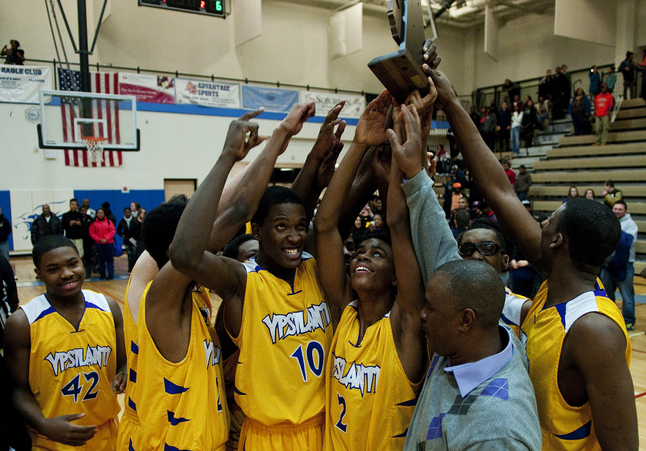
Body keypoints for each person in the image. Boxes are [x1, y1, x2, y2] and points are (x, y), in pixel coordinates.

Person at [424, 64, 636, 450]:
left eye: (547, 222)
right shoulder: (556, 282)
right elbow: (498, 190)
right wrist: (451, 102)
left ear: (558, 242)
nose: (537, 224)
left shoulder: (593, 331)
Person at [171, 98, 348, 451]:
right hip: (268, 436)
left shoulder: (315, 267)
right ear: (257, 232)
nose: (294, 236)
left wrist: (316, 159)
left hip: (325, 429)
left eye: (300, 227)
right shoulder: (242, 281)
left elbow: (306, 212)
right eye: (281, 227)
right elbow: (185, 254)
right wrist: (228, 158)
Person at [315, 102, 429, 450]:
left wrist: (399, 160)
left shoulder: (404, 324)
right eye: (360, 253)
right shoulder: (342, 312)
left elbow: (398, 225)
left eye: (377, 254)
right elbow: (325, 225)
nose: (363, 257)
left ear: (397, 277)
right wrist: (359, 144)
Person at [124, 195, 230, 451]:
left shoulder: (198, 294)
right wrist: (231, 156)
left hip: (198, 433)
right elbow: (232, 208)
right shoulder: (156, 294)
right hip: (162, 434)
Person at [3, 235, 126, 450]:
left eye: (72, 264)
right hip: (50, 439)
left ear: (81, 261)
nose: (67, 274)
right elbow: (17, 389)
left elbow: (123, 363)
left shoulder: (108, 307)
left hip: (106, 435)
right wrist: (44, 424)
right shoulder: (23, 322)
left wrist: (124, 374)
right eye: (53, 269)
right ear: (38, 274)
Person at [403, 260, 541, 450]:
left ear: (465, 320)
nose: (422, 314)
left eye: (430, 307)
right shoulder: (484, 337)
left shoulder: (496, 435)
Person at [599, 200, 638, 331]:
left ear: (625, 211)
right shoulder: (607, 221)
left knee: (627, 296)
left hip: (625, 266)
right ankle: (609, 318)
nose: (617, 211)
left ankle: (629, 321)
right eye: (615, 208)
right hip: (608, 265)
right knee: (606, 295)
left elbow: (627, 241)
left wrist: (612, 233)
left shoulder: (630, 224)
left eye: (620, 209)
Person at [89, 208, 116, 280]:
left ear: (104, 214)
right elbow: (92, 233)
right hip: (99, 244)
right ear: (96, 214)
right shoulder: (93, 223)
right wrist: (99, 239)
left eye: (102, 213)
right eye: (99, 213)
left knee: (109, 259)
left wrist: (106, 239)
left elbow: (112, 231)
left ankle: (110, 274)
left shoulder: (109, 221)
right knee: (101, 260)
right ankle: (102, 274)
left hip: (109, 243)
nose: (100, 214)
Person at [116, 207, 136, 272]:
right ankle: (130, 270)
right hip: (127, 241)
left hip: (134, 240)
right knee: (129, 255)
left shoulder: (134, 220)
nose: (127, 213)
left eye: (128, 212)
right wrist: (122, 235)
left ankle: (136, 269)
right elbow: (118, 230)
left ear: (131, 212)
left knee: (135, 255)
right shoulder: (122, 221)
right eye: (126, 212)